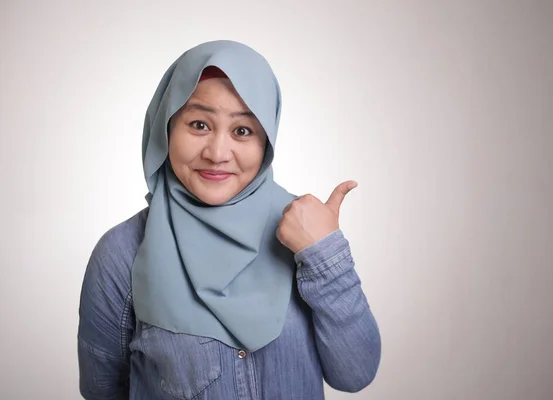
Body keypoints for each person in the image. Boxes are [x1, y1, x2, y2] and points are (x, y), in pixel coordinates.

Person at [77, 40, 381, 400]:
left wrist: (324, 254)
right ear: (166, 128)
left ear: (266, 139)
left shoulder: (306, 234)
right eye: (199, 124)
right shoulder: (122, 253)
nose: (218, 153)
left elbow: (355, 374)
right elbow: (103, 391)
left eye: (242, 131)